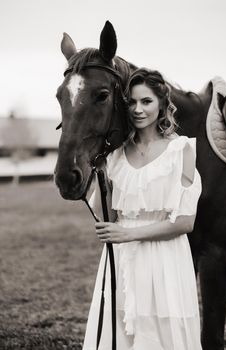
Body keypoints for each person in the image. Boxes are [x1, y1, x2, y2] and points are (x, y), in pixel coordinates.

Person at [83, 68, 202, 350]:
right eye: (131, 102)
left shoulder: (181, 151)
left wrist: (127, 234)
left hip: (165, 260)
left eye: (146, 101)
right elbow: (108, 217)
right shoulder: (113, 156)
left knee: (161, 333)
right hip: (122, 261)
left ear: (161, 104)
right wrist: (99, 174)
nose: (138, 109)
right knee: (119, 331)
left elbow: (185, 223)